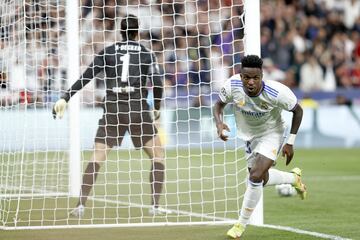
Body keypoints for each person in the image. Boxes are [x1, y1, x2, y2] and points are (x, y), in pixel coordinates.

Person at [52, 14, 168, 217]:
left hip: (113, 106)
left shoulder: (108, 51)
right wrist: (156, 106)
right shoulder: (146, 53)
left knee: (97, 156)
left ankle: (80, 205)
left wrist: (65, 98)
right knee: (158, 155)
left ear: (120, 32)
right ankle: (155, 207)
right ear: (137, 32)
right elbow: (157, 82)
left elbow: (87, 76)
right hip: (137, 107)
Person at [213, 55, 306, 239]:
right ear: (241, 77)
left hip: (273, 133)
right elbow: (218, 105)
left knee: (254, 176)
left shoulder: (277, 92)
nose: (251, 82)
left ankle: (240, 224)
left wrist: (290, 141)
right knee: (259, 180)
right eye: (246, 77)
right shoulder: (232, 86)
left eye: (255, 78)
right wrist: (219, 123)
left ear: (262, 76)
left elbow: (298, 110)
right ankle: (293, 178)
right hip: (249, 135)